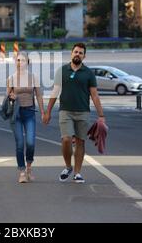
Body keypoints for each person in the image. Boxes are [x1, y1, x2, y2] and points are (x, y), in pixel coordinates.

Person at [43, 43, 105, 184]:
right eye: (76, 52)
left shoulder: (88, 73)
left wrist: (101, 115)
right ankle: (68, 166)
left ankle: (77, 173)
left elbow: (94, 95)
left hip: (83, 112)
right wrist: (48, 112)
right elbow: (55, 91)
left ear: (84, 56)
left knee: (80, 142)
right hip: (66, 111)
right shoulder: (62, 70)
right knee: (66, 139)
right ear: (71, 53)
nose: (77, 54)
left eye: (81, 53)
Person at [7, 52, 44, 183]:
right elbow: (8, 98)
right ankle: (22, 172)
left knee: (30, 143)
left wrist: (43, 112)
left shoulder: (34, 77)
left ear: (27, 62)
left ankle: (29, 167)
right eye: (17, 60)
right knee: (20, 144)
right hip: (16, 113)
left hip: (29, 112)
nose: (19, 62)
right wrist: (11, 97)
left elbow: (39, 96)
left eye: (22, 60)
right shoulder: (11, 78)